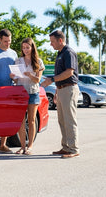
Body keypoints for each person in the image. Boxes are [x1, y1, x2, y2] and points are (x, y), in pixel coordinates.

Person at [41, 30, 80, 159]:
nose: (51, 44)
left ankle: (73, 148)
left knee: (69, 120)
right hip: (62, 90)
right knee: (62, 120)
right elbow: (61, 75)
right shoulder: (60, 54)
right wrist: (57, 91)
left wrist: (51, 80)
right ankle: (66, 147)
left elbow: (69, 72)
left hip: (69, 90)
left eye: (52, 41)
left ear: (60, 40)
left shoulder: (68, 52)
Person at [10, 38, 45, 155]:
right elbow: (16, 79)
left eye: (27, 47)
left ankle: (30, 146)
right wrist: (12, 77)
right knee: (20, 121)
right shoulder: (18, 61)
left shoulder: (38, 62)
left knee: (31, 121)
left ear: (32, 48)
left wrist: (30, 75)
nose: (25, 50)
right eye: (23, 48)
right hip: (20, 93)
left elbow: (37, 80)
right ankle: (22, 146)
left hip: (33, 92)